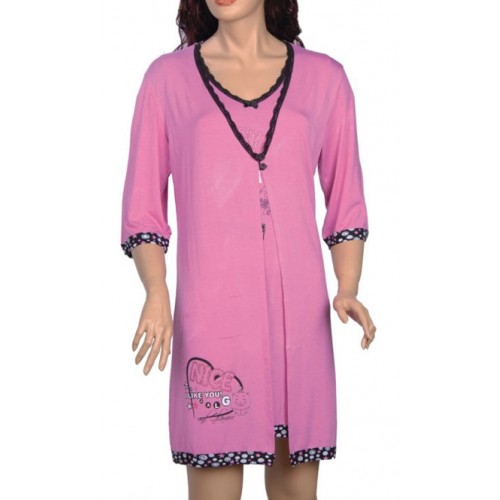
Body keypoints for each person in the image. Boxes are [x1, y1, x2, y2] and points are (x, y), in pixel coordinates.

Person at [120, 1, 377, 499]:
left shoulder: (325, 80)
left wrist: (348, 286)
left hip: (300, 322)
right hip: (212, 320)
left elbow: (346, 197)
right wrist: (155, 289)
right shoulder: (166, 80)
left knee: (295, 490)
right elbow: (143, 205)